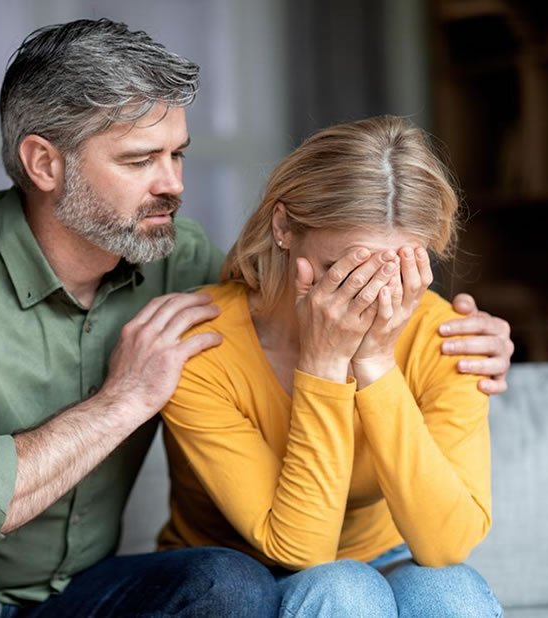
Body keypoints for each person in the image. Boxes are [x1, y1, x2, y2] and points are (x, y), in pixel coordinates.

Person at [0, 19, 513, 617]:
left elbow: (273, 309)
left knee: (231, 584)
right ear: (45, 163)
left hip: (75, 592)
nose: (172, 184)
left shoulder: (178, 258)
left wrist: (471, 341)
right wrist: (126, 398)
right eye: (140, 160)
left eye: (178, 155)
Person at [159, 116, 505, 616]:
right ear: (283, 228)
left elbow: (446, 546)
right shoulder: (202, 343)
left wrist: (376, 363)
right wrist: (322, 366)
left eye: (395, 277)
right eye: (339, 273)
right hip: (238, 576)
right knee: (343, 590)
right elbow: (303, 551)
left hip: (390, 556)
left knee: (453, 594)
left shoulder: (449, 336)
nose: (367, 303)